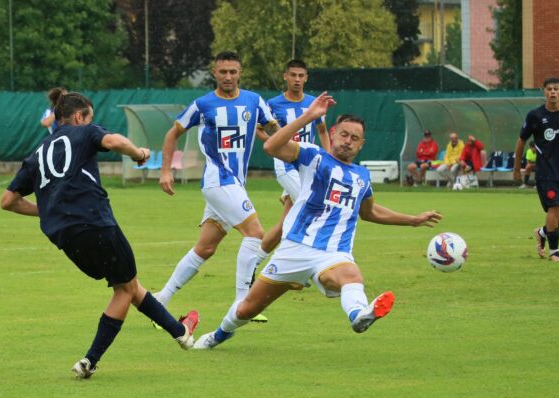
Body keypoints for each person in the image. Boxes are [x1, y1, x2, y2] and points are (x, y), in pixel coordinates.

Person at [192, 93, 442, 350]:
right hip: (294, 249)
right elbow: (271, 148)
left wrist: (412, 220)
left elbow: (369, 212)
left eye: (354, 139)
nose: (348, 142)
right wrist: (309, 116)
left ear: (362, 144)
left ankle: (358, 315)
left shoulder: (361, 176)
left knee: (352, 275)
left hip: (333, 254)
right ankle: (220, 334)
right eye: (344, 135)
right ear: (332, 133)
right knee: (246, 310)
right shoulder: (314, 157)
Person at [0, 92, 199, 379]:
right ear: (80, 117)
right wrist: (140, 153)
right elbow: (115, 141)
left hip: (65, 237)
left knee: (127, 284)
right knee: (125, 289)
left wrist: (48, 210)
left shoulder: (37, 153)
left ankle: (181, 332)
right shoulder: (84, 132)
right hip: (95, 223)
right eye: (90, 118)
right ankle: (90, 360)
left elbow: (8, 201)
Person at [156, 51, 279, 318]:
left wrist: (294, 148)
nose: (228, 77)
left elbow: (272, 128)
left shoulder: (253, 101)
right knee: (255, 234)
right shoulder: (203, 104)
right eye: (223, 72)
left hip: (235, 184)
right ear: (215, 73)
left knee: (206, 248)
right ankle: (242, 303)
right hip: (218, 180)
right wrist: (166, 171)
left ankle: (160, 299)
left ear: (240, 73)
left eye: (233, 72)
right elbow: (172, 133)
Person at [258, 59, 331, 269]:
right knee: (311, 209)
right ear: (285, 76)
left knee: (285, 223)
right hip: (286, 166)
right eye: (293, 75)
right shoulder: (273, 104)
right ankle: (290, 266)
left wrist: (329, 163)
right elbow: (259, 129)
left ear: (306, 78)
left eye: (301, 76)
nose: (297, 79)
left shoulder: (313, 103)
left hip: (309, 168)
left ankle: (253, 263)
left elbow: (323, 131)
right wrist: (277, 144)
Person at [513, 77, 559, 262]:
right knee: (554, 207)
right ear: (543, 91)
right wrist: (516, 167)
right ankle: (554, 252)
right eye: (549, 89)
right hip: (545, 172)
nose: (553, 92)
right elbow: (521, 141)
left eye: (556, 89)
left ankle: (543, 232)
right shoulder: (535, 116)